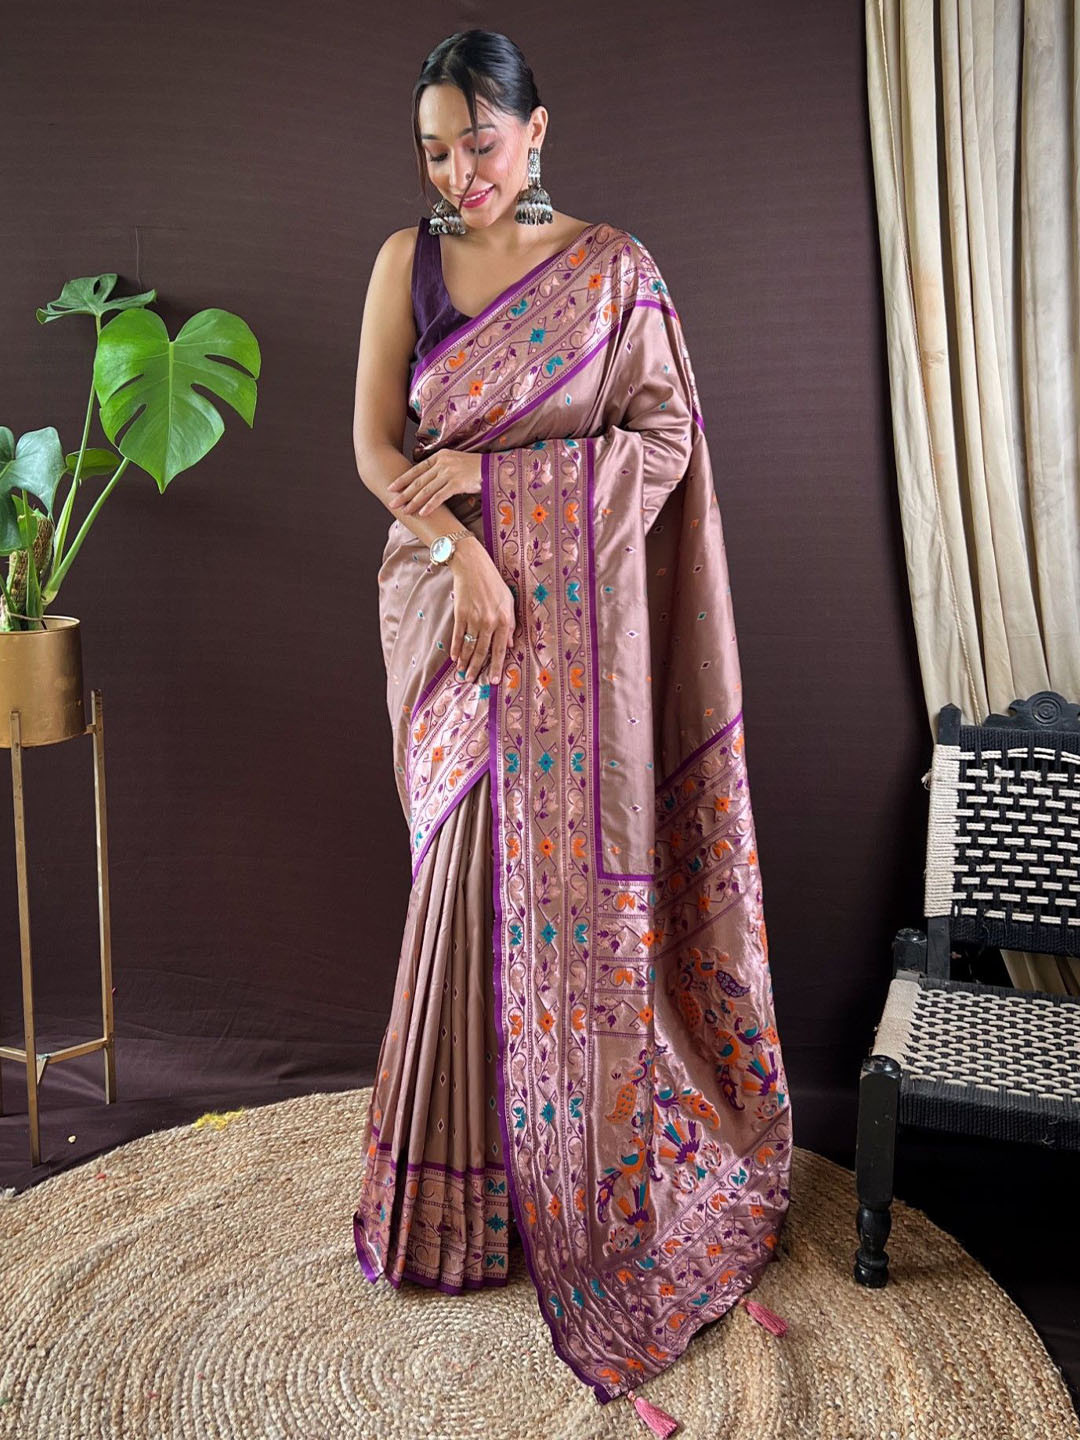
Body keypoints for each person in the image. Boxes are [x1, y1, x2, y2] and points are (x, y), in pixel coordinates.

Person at [350, 27, 793, 1423]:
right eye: (435, 149)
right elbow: (375, 448)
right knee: (460, 877)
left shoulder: (614, 272)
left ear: (535, 131)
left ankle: (568, 1188)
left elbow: (663, 443)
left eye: (480, 142)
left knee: (557, 902)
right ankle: (455, 1206)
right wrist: (463, 551)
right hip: (446, 610)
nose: (459, 173)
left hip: (575, 633)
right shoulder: (405, 263)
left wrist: (502, 505)